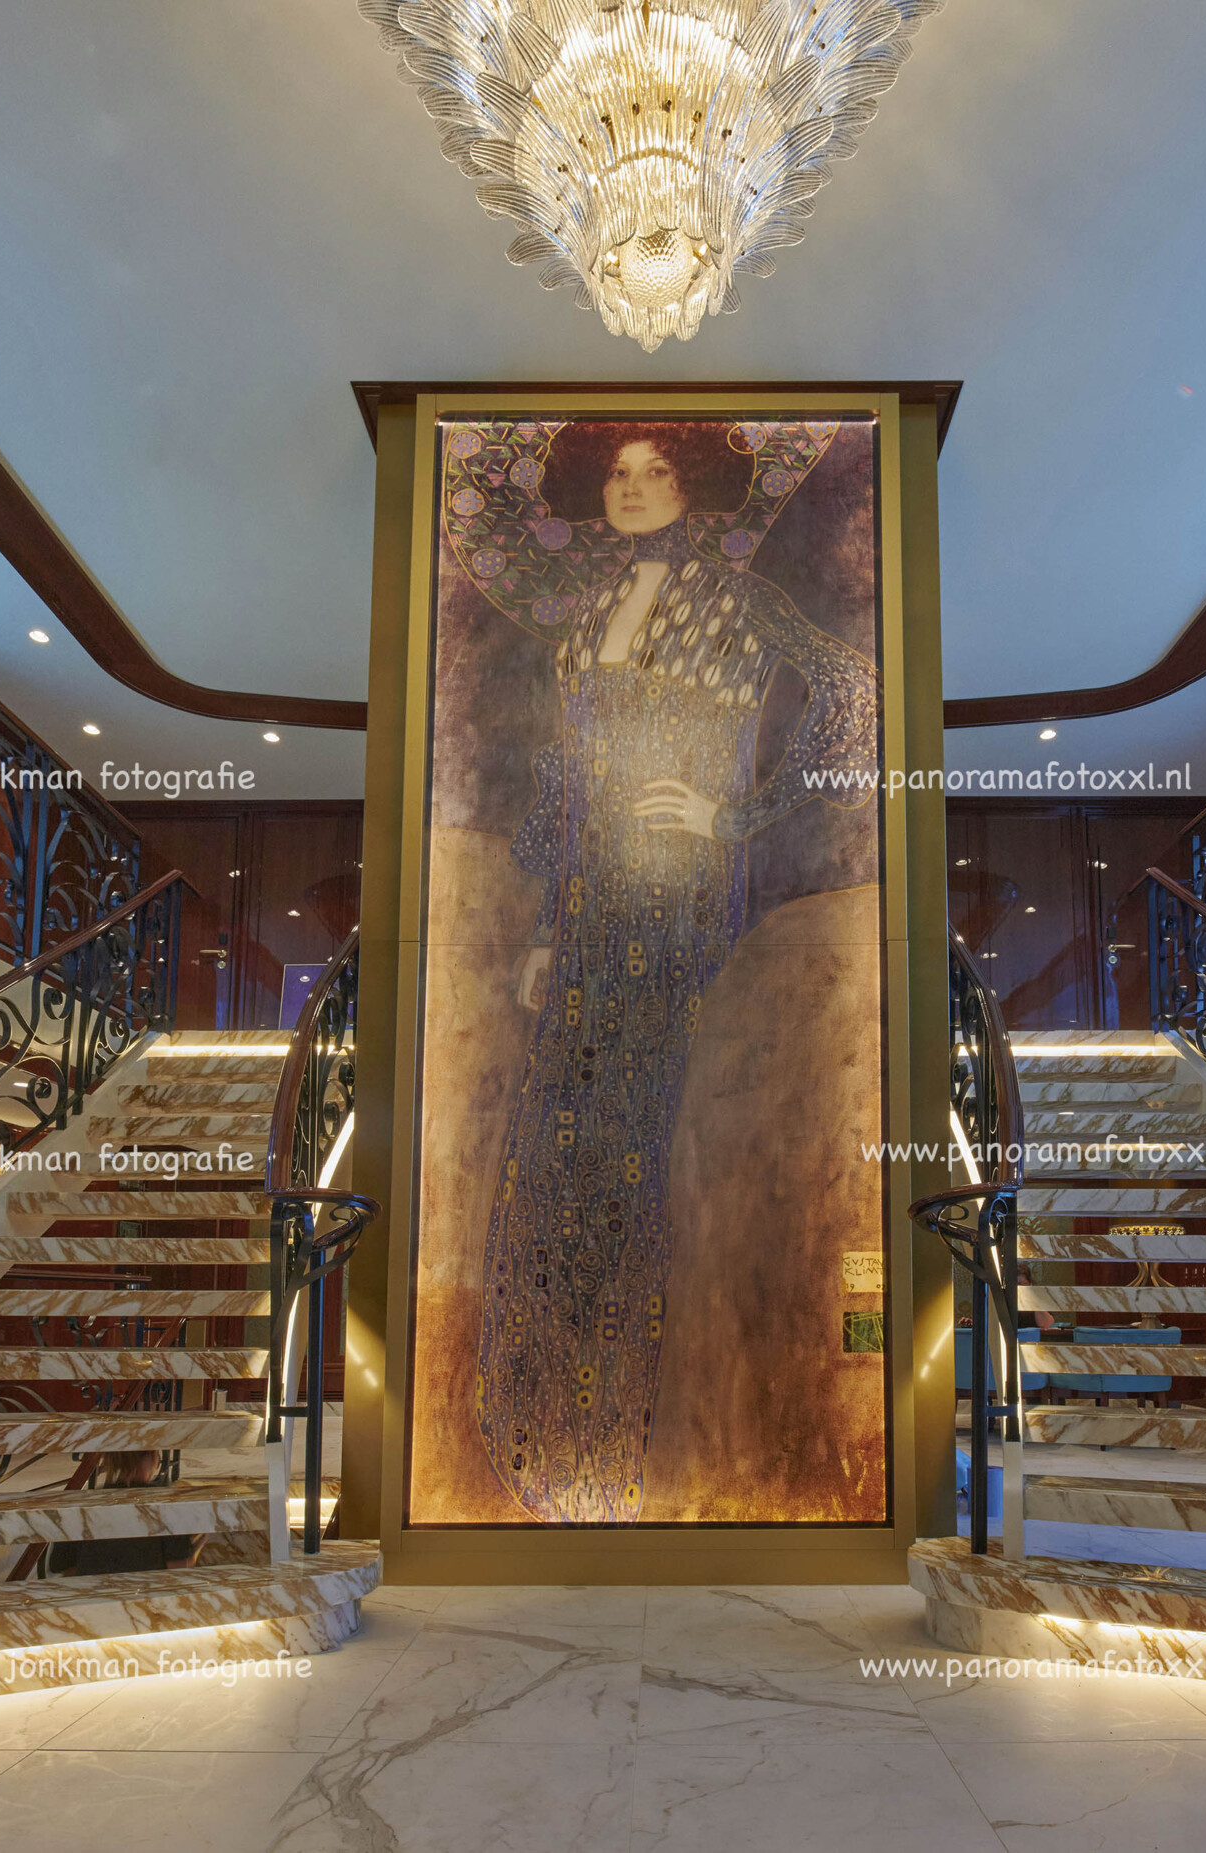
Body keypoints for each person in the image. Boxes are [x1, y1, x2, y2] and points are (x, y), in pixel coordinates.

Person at [440, 418, 879, 1522]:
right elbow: (563, 781)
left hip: (679, 895)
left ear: (696, 486)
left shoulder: (739, 600)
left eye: (658, 470)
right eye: (619, 473)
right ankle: (541, 1428)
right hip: (587, 899)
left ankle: (615, 1440)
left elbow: (851, 693)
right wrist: (547, 925)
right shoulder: (586, 616)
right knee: (556, 1139)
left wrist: (736, 814)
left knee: (629, 1141)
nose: (635, 487)